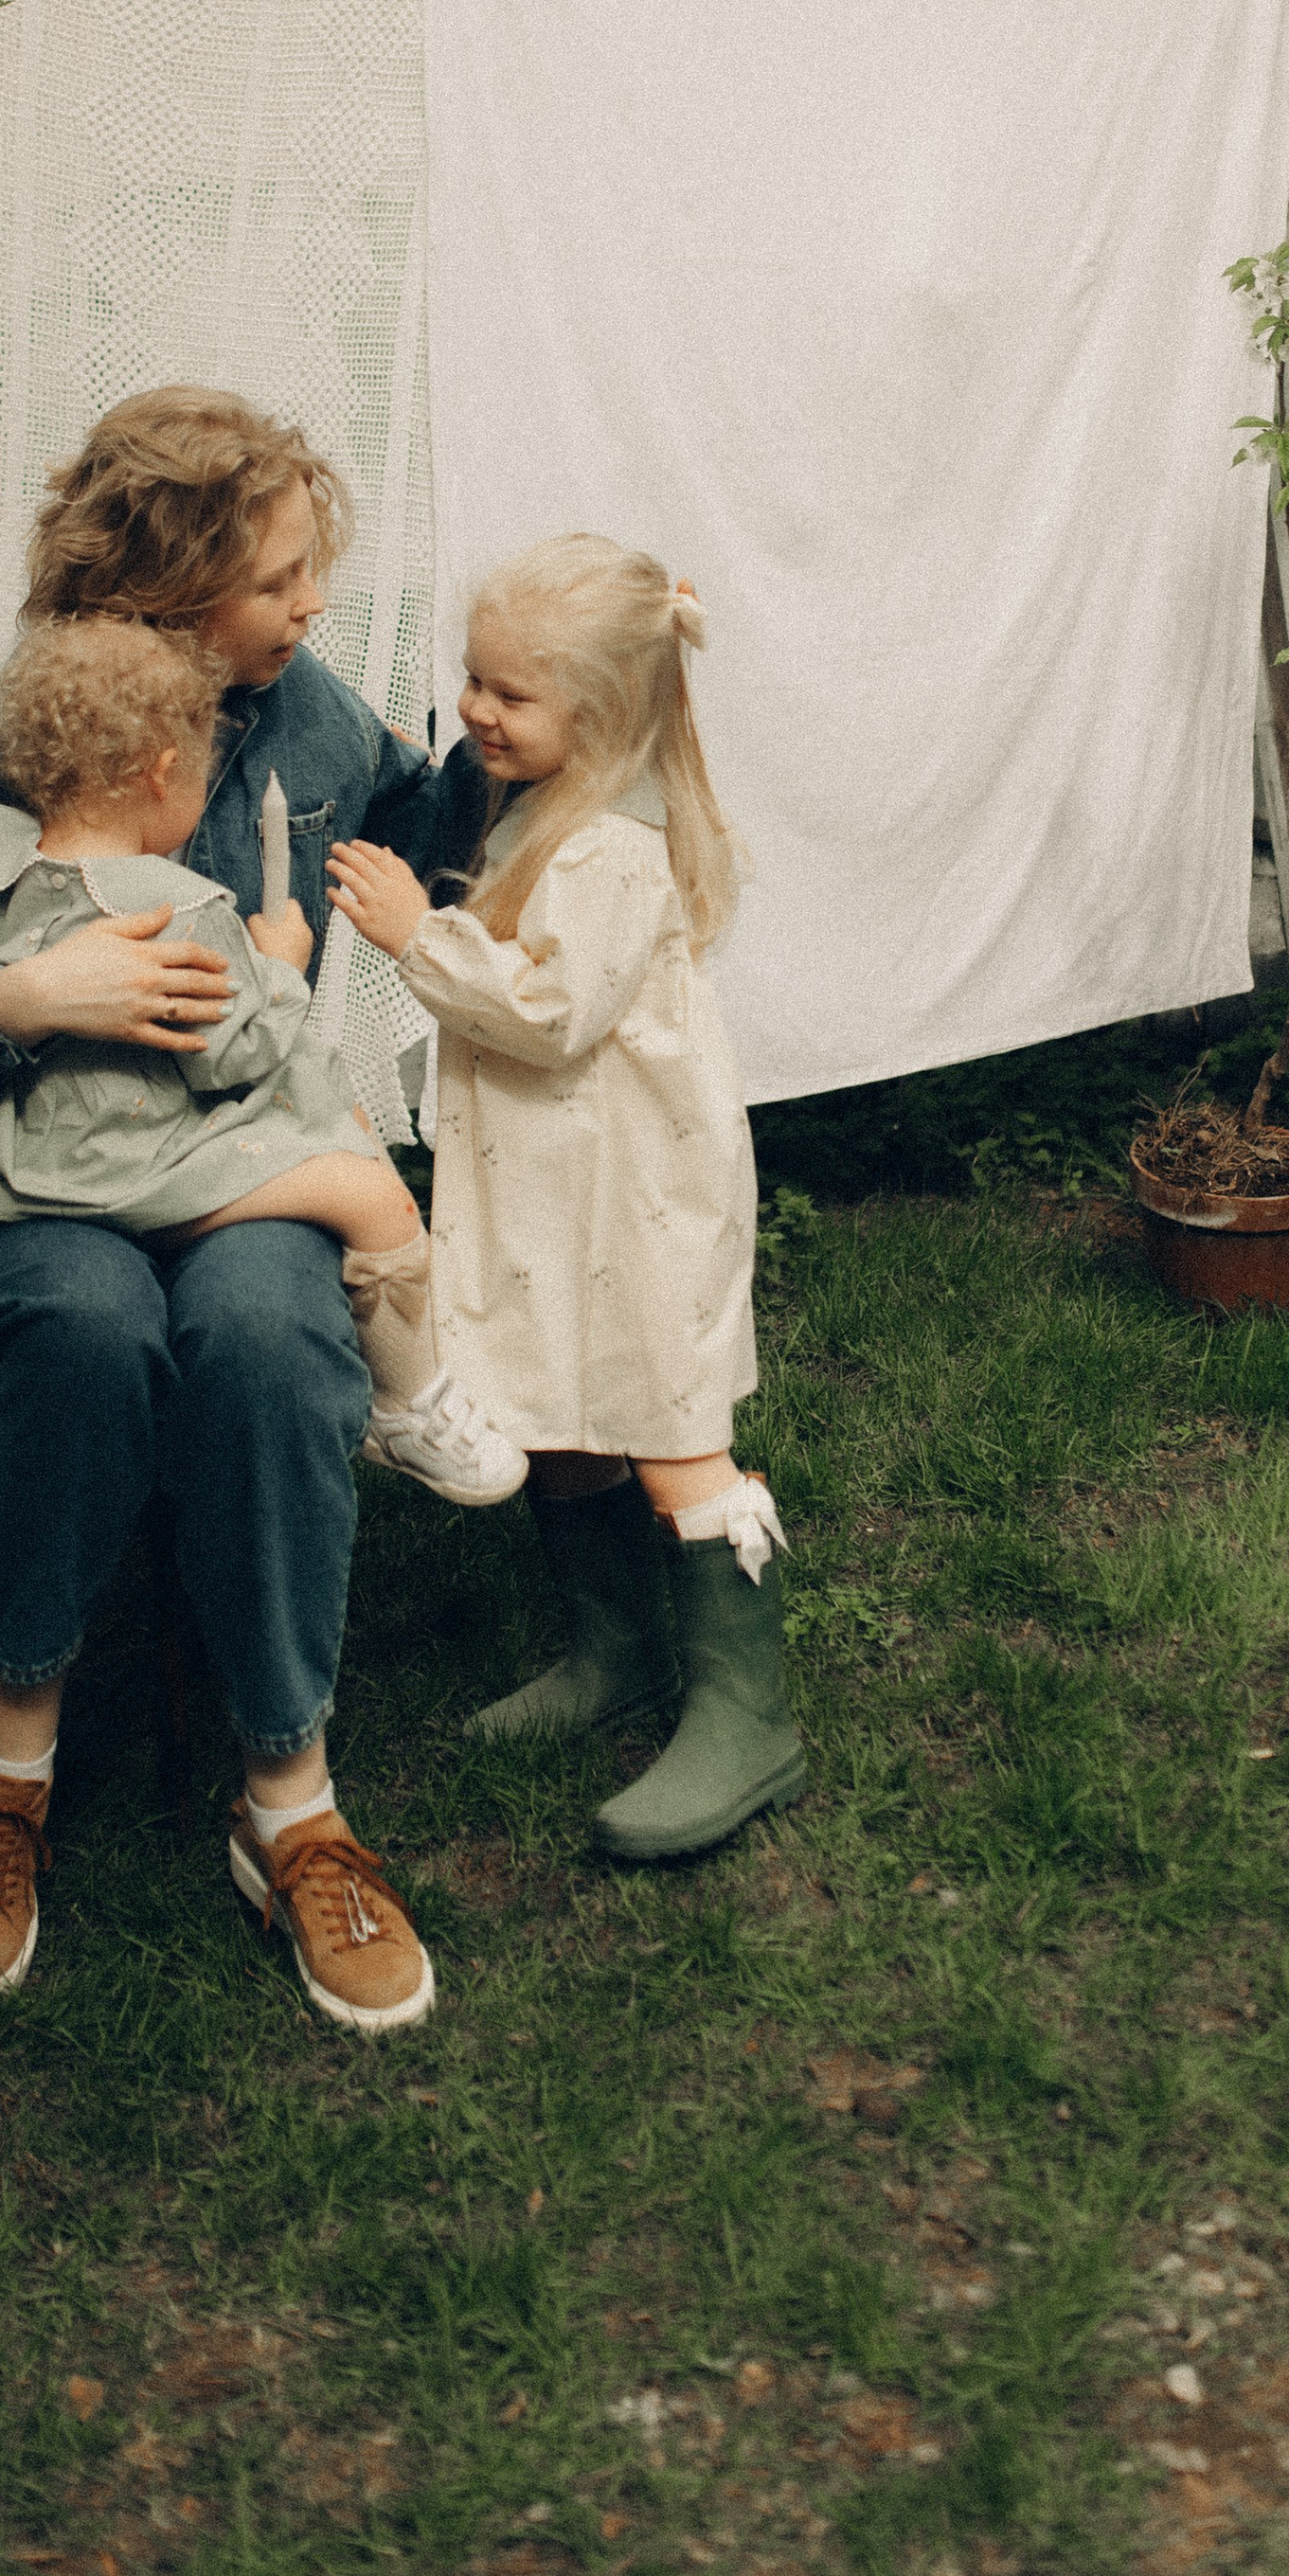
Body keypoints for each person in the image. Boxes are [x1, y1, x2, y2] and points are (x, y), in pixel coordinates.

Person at [0, 386, 487, 2026]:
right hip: (32, 1186)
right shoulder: (4, 736)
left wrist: (524, 723)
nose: (313, 605)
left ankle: (290, 1798)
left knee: (267, 1332)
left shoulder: (307, 712)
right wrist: (14, 999)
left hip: (229, 1161)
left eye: (312, 572)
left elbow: (424, 831)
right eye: (277, 579)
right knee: (87, 1321)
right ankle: (8, 1749)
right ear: (165, 589)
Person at [0, 616, 523, 1508]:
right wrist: (280, 969)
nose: (307, 603)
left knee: (334, 1138)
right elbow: (232, 1055)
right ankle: (409, 1401)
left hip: (21, 1163)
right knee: (371, 1191)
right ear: (162, 773)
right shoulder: (180, 908)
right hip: (129, 1172)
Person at [327, 533, 805, 1862]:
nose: (474, 707)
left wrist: (414, 933)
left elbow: (549, 1011)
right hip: (565, 1180)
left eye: (508, 692)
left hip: (637, 1192)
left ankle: (749, 1713)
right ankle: (619, 1652)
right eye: (473, 677)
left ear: (597, 712)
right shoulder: (545, 803)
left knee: (667, 1421)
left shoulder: (611, 848)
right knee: (569, 1400)